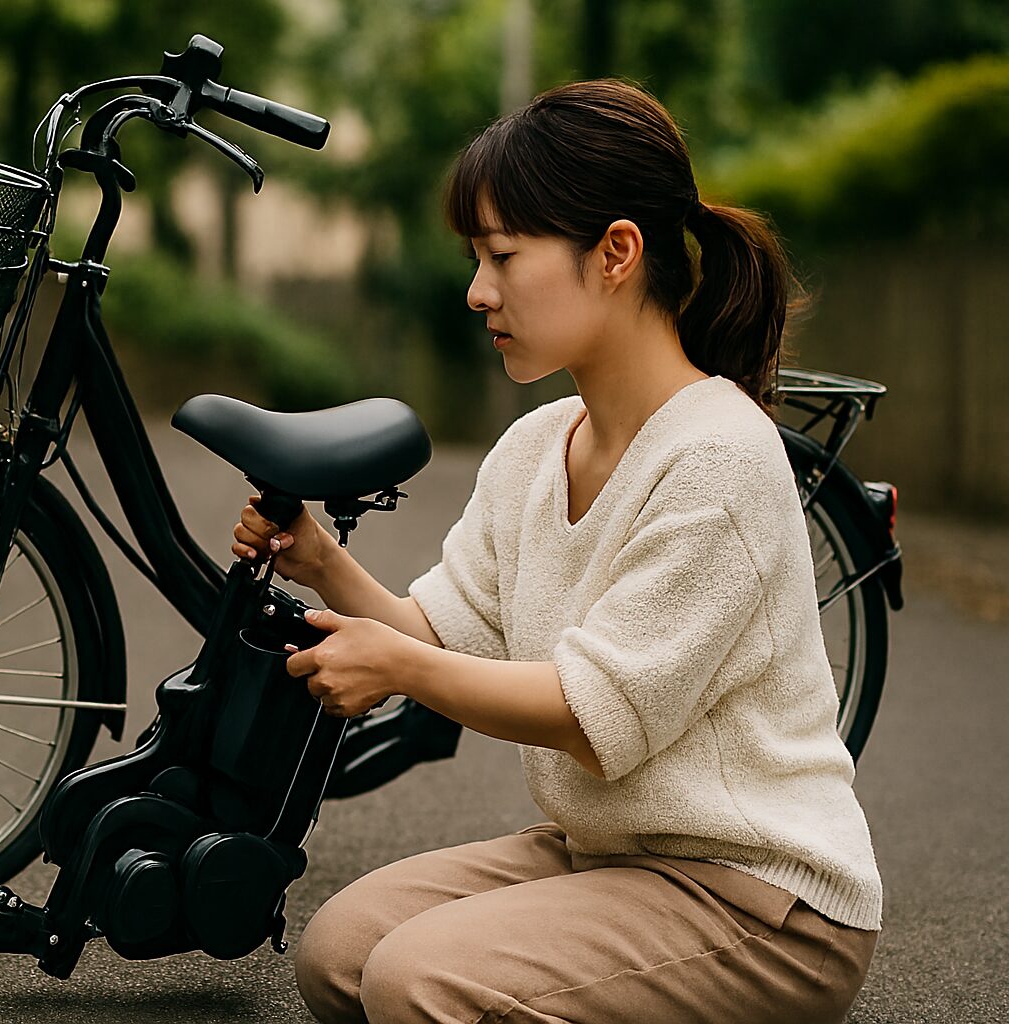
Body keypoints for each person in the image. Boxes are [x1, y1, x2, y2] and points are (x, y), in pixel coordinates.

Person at [230, 79, 882, 1024]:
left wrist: (398, 668)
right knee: (340, 953)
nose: (477, 291)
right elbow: (439, 633)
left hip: (758, 900)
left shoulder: (718, 459)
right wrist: (321, 562)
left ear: (616, 253)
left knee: (416, 982)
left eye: (502, 255)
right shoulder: (539, 446)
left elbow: (589, 716)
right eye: (476, 259)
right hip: (610, 856)